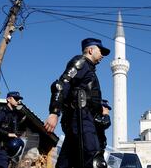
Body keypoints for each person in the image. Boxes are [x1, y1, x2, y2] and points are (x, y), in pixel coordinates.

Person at [44, 38, 110, 168]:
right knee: (94, 159)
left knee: (67, 162)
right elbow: (61, 85)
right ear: (91, 50)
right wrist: (54, 112)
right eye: (100, 51)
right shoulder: (81, 63)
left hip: (84, 119)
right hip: (80, 118)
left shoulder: (89, 70)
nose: (102, 55)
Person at [0, 91, 27, 168]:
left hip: (8, 150)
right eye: (16, 99)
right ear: (8, 99)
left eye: (19, 99)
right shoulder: (2, 111)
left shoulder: (14, 115)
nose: (18, 101)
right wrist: (7, 134)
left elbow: (14, 131)